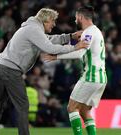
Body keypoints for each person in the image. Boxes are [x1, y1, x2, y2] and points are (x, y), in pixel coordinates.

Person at [0, 8, 87, 135]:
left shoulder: (33, 28)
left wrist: (70, 36)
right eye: (53, 21)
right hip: (10, 70)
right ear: (46, 20)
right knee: (22, 105)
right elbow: (50, 47)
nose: (54, 24)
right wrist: (74, 47)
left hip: (1, 66)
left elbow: (48, 39)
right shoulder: (34, 29)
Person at [44, 6, 107, 135]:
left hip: (91, 76)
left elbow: (79, 53)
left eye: (76, 18)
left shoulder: (88, 32)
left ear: (80, 17)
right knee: (84, 111)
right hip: (101, 78)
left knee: (72, 108)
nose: (75, 20)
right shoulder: (97, 31)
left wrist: (56, 56)